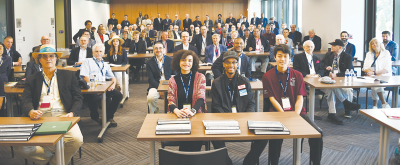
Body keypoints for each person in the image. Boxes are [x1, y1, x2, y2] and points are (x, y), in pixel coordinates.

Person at [17, 44, 83, 165]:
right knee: (21, 146)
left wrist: (72, 113)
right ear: (39, 59)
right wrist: (31, 111)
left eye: (51, 56)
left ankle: (52, 163)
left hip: (63, 117)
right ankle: (54, 161)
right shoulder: (32, 79)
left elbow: (78, 98)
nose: (48, 59)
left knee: (77, 139)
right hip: (39, 118)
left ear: (56, 58)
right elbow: (25, 100)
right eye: (45, 56)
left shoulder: (69, 75)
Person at [262, 44, 323, 165]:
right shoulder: (267, 76)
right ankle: (273, 162)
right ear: (275, 57)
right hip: (277, 114)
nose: (282, 59)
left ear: (290, 58)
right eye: (279, 56)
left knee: (318, 133)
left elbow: (300, 97)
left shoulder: (298, 75)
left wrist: (295, 115)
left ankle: (315, 162)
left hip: (298, 113)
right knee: (275, 138)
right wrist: (284, 115)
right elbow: (272, 99)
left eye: (285, 56)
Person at [211, 51, 262, 165]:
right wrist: (228, 119)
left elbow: (251, 103)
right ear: (223, 64)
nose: (231, 65)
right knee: (213, 137)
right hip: (224, 121)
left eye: (234, 62)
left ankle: (249, 160)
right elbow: (215, 106)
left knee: (263, 137)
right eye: (228, 62)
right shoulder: (217, 83)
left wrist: (244, 118)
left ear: (237, 64)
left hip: (243, 120)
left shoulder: (244, 81)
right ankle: (226, 161)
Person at [168, 50, 206, 152]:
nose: (186, 63)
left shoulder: (200, 77)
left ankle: (186, 159)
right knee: (186, 138)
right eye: (183, 60)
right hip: (178, 117)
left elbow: (201, 97)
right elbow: (170, 100)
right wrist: (177, 111)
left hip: (196, 114)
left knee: (194, 137)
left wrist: (192, 111)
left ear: (193, 63)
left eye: (190, 60)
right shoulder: (173, 80)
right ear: (178, 62)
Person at [80, 43, 122, 126]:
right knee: (94, 97)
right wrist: (95, 89)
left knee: (118, 95)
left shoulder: (105, 64)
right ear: (93, 52)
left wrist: (112, 86)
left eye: (100, 51)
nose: (98, 53)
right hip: (91, 87)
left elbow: (113, 78)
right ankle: (95, 117)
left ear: (103, 53)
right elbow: (85, 77)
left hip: (104, 87)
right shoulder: (87, 61)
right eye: (96, 51)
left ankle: (109, 117)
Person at [320, 39, 360, 122]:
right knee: (332, 86)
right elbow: (321, 64)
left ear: (339, 47)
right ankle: (347, 104)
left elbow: (348, 71)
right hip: (330, 78)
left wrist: (337, 75)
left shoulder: (347, 57)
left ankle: (347, 110)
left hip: (342, 79)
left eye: (333, 46)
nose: (331, 47)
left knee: (348, 89)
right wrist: (326, 68)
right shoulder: (329, 54)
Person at [363, 38, 392, 109]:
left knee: (376, 83)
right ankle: (383, 104)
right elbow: (364, 67)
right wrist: (370, 72)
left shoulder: (386, 53)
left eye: (376, 43)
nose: (374, 44)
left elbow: (387, 69)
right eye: (372, 44)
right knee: (375, 81)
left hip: (384, 75)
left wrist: (375, 73)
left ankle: (376, 104)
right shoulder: (369, 54)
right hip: (372, 75)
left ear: (380, 44)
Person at [147, 42, 174, 113]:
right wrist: (160, 89)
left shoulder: (170, 60)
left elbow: (175, 75)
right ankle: (154, 112)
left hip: (169, 85)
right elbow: (151, 79)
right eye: (156, 48)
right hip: (155, 86)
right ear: (153, 50)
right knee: (150, 98)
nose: (158, 50)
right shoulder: (149, 62)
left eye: (160, 48)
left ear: (164, 49)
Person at [0, 43, 12, 107]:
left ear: (3, 49)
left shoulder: (8, 58)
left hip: (4, 81)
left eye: (0, 48)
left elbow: (8, 71)